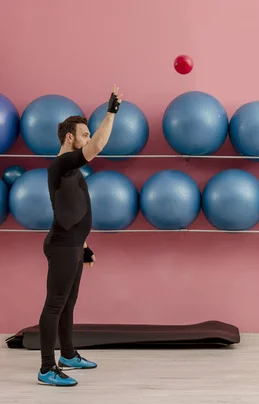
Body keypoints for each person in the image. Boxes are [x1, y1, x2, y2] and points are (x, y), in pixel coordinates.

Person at [37, 85, 123, 387]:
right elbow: (98, 146)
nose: (89, 140)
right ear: (70, 138)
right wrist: (111, 112)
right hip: (61, 247)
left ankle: (68, 355)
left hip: (73, 245)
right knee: (54, 305)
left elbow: (72, 212)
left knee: (67, 304)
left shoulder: (73, 173)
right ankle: (47, 368)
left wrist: (85, 247)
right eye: (84, 134)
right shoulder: (61, 165)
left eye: (89, 134)